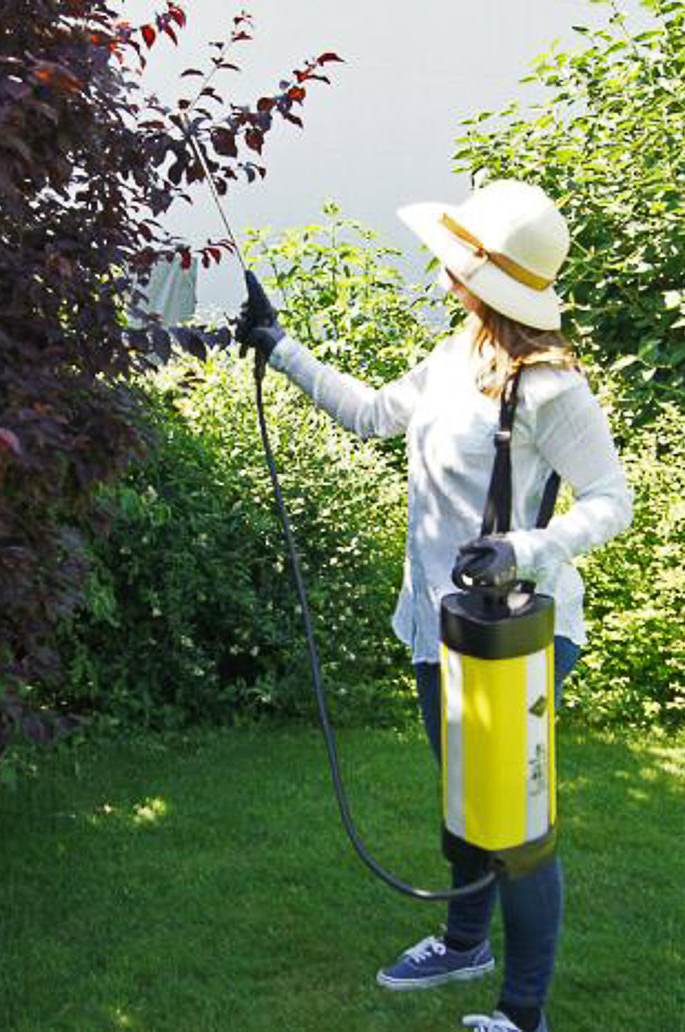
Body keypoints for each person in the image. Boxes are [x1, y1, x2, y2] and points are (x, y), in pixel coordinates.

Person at [236, 180, 633, 1032]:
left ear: (484, 280)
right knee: (465, 799)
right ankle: (464, 942)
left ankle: (523, 1012)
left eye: (456, 262)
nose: (443, 271)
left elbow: (609, 500)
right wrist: (279, 348)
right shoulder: (456, 358)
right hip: (438, 623)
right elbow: (375, 415)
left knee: (513, 822)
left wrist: (525, 549)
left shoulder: (551, 388)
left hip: (518, 631)